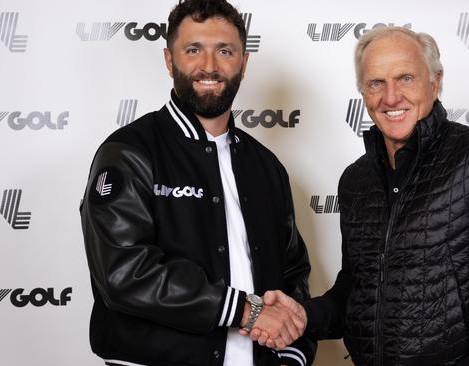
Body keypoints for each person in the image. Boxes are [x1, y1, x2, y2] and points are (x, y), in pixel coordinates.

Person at [255, 26, 469, 365]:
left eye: (405, 78)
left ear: (435, 82)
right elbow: (358, 291)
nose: (391, 97)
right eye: (376, 83)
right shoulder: (356, 180)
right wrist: (304, 315)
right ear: (364, 93)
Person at [79, 1, 314, 365]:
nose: (209, 66)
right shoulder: (129, 153)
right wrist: (245, 311)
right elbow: (124, 274)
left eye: (224, 51)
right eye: (193, 50)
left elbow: (293, 270)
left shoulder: (265, 165)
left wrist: (293, 352)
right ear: (169, 60)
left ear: (244, 63)